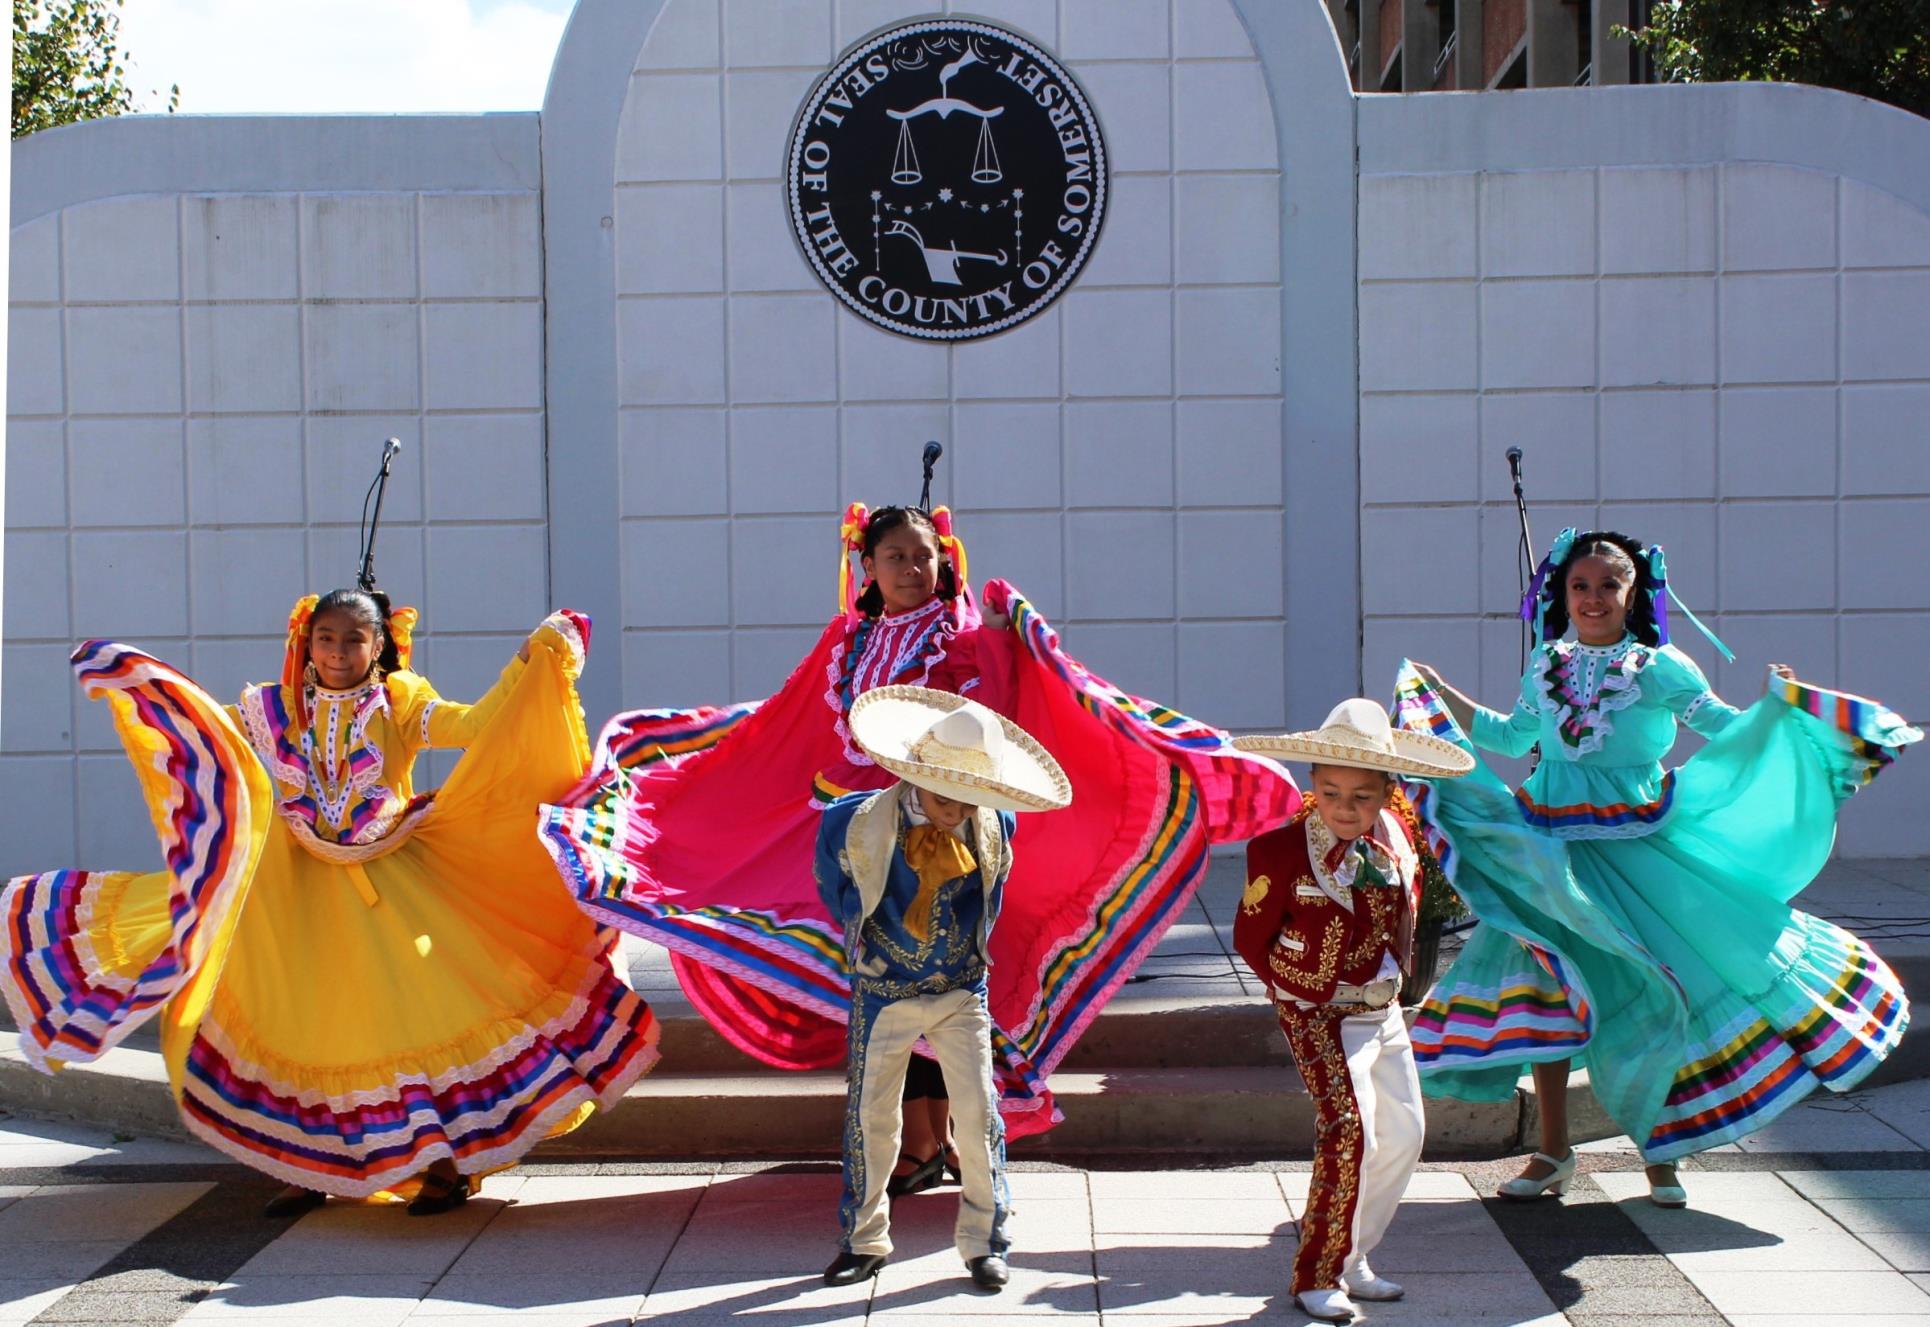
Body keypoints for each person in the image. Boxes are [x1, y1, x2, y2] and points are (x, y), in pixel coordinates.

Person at [541, 497, 1298, 1140]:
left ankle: (930, 1143)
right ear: (865, 565)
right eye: (895, 556)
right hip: (855, 837)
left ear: (945, 558)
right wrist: (712, 773)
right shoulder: (846, 641)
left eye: (924, 556)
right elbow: (787, 724)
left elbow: (1011, 719)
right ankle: (921, 1143)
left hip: (943, 843)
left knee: (922, 991)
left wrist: (1019, 636)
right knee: (883, 994)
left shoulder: (968, 639)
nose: (912, 569)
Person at [3, 589, 661, 1214]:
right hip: (296, 891)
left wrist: (530, 658)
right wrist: (149, 690)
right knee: (305, 1021)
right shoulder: (275, 708)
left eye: (354, 638)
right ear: (305, 641)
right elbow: (217, 745)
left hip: (397, 881)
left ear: (381, 645)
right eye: (326, 637)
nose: (338, 651)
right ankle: (310, 1170)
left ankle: (443, 1166)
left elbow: (479, 724)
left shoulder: (399, 700)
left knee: (415, 1017)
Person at [1397, 529, 1917, 1207]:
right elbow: (1510, 737)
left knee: (1667, 990)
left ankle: (1662, 1154)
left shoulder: (1660, 665)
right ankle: (1553, 1151)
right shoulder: (1544, 662)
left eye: (1607, 585)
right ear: (1562, 592)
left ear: (1632, 591)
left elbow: (1725, 728)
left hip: (1637, 849)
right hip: (1550, 847)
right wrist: (1445, 698)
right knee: (1549, 989)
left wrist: (1776, 706)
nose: (1592, 598)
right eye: (1580, 586)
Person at [818, 685, 1070, 1291]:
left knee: (981, 1114)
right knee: (870, 1119)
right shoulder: (850, 823)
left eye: (970, 797)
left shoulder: (995, 822)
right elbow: (834, 890)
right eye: (944, 795)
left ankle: (987, 1240)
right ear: (913, 777)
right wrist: (871, 947)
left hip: (961, 989)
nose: (956, 809)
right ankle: (863, 1240)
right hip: (883, 989)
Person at [1230, 701, 1472, 1323]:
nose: (1345, 807)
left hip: (1382, 1006)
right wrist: (1297, 990)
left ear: (1388, 794)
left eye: (1362, 796)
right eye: (1331, 791)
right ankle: (1317, 1271)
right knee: (1348, 1129)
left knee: (1405, 1133)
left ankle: (1354, 1254)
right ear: (1312, 784)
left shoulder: (1397, 841)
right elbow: (1251, 939)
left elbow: (1406, 918)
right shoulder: (1279, 852)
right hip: (1316, 1011)